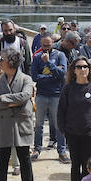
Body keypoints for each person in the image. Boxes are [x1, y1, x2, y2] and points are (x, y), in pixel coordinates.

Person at [0, 48, 37, 181]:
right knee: (2, 159)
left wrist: (3, 98)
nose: (0, 62)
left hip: (21, 123)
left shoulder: (26, 79)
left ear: (11, 62)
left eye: (2, 60)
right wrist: (12, 103)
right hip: (4, 124)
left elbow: (26, 95)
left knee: (25, 158)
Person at [57, 55, 91, 181]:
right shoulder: (68, 88)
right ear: (73, 70)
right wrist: (63, 129)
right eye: (79, 67)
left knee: (87, 164)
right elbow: (61, 110)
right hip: (72, 132)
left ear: (89, 70)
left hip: (89, 133)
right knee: (75, 164)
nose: (82, 69)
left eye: (85, 67)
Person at [30, 33, 67, 163]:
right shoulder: (37, 57)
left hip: (56, 95)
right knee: (39, 124)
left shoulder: (60, 55)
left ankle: (61, 151)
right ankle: (37, 149)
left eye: (48, 45)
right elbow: (34, 77)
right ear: (40, 44)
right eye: (44, 45)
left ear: (53, 43)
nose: (46, 48)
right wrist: (52, 76)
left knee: (58, 125)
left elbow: (62, 75)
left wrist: (49, 64)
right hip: (41, 95)